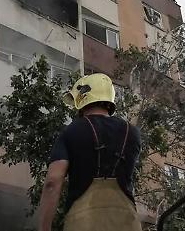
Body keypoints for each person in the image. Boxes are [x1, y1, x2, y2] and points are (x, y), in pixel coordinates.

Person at [37, 73, 142, 231]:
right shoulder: (133, 133)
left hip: (83, 222)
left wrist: (44, 228)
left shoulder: (71, 131)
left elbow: (52, 182)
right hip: (128, 222)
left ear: (82, 98)